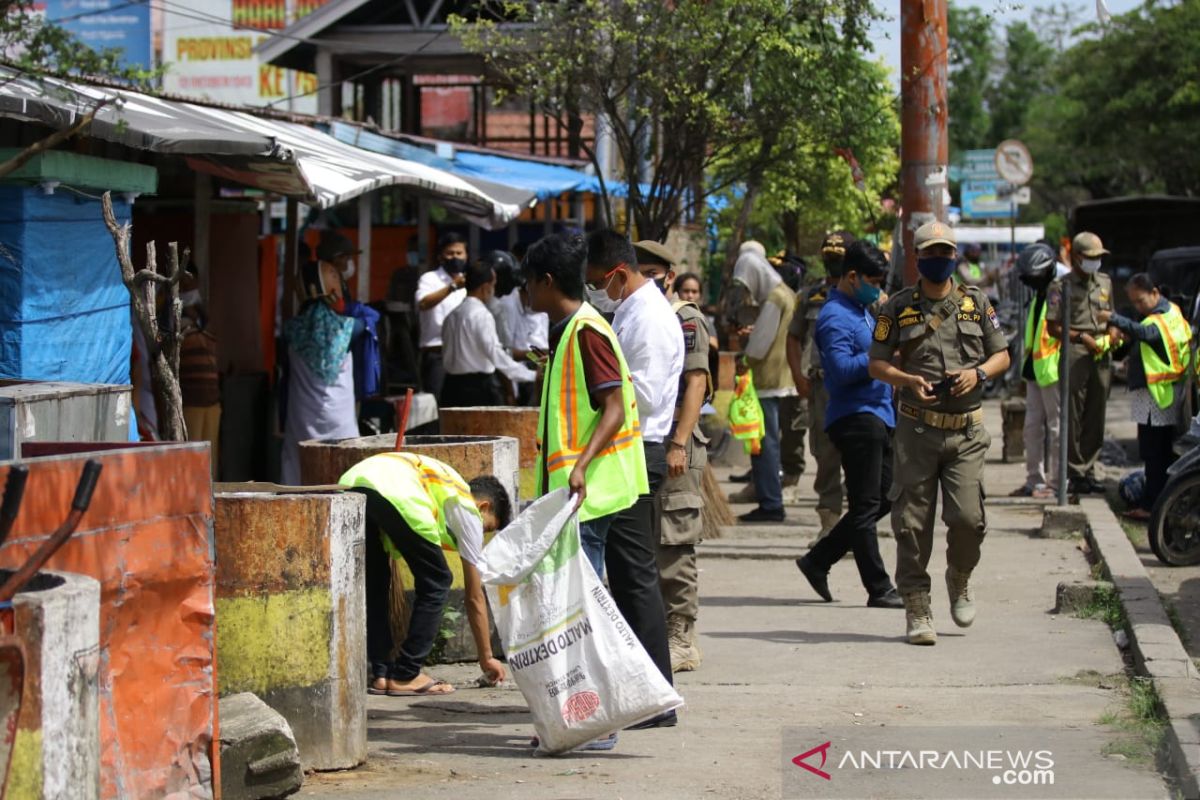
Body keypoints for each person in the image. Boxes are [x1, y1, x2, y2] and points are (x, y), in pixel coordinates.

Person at [868, 220, 1011, 645]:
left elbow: (1001, 353)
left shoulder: (976, 302)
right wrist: (906, 380)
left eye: (946, 252)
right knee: (912, 523)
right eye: (931, 253)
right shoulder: (896, 307)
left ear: (955, 256)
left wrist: (978, 372)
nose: (940, 259)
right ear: (917, 258)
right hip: (916, 428)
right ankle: (917, 604)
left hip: (966, 432)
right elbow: (876, 363)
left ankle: (959, 575)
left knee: (968, 519)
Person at [584, 230, 681, 708]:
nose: (594, 292)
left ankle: (654, 695)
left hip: (639, 450)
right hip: (629, 450)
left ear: (618, 274)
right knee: (627, 577)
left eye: (597, 282)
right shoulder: (631, 312)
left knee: (636, 577)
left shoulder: (648, 320)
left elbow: (636, 397)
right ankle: (645, 691)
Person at [339, 453, 509, 695]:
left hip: (352, 482)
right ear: (484, 506)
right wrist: (487, 657)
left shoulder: (445, 483)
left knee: (377, 582)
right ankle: (407, 673)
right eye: (488, 527)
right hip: (396, 492)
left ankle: (382, 673)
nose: (481, 535)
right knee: (438, 581)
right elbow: (474, 597)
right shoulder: (468, 509)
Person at [796, 241, 903, 608]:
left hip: (878, 414)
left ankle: (819, 559)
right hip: (856, 418)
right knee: (865, 505)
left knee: (881, 498)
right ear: (852, 277)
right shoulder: (834, 317)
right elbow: (840, 371)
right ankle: (879, 587)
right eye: (872, 280)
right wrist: (880, 358)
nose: (877, 287)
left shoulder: (862, 310)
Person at [635, 239, 710, 672]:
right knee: (645, 539)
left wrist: (679, 442)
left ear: (667, 274)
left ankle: (682, 634)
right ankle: (659, 629)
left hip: (676, 442)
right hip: (643, 443)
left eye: (651, 272)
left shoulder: (684, 319)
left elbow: (696, 382)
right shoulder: (636, 315)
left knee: (675, 538)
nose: (645, 279)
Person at [1106, 274, 1194, 519]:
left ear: (1155, 292)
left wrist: (1112, 318)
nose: (1138, 307)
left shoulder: (1159, 320)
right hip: (1164, 396)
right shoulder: (1173, 313)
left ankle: (1150, 506)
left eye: (1140, 300)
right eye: (1133, 302)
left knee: (1154, 453)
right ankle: (1157, 502)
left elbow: (1145, 333)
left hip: (1157, 398)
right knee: (1161, 453)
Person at [785, 232, 853, 538]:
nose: (833, 260)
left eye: (839, 254)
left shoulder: (865, 295)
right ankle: (829, 526)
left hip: (855, 387)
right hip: (821, 388)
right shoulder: (810, 296)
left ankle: (856, 526)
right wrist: (799, 377)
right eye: (829, 254)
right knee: (825, 457)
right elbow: (793, 337)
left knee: (857, 459)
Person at [729, 241, 796, 523]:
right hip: (779, 379)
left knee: (763, 444)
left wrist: (744, 358)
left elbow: (760, 343)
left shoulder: (775, 298)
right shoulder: (786, 292)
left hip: (767, 380)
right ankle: (769, 498)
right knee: (768, 442)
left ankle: (770, 503)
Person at [280, 257, 359, 484]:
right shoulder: (349, 328)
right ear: (329, 287)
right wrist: (344, 305)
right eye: (334, 275)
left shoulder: (291, 330)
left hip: (302, 418)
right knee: (343, 475)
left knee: (299, 472)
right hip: (340, 420)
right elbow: (371, 318)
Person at [1046, 232, 1114, 495]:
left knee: (1097, 414)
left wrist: (1114, 334)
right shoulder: (1061, 286)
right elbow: (1052, 328)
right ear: (1077, 257)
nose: (1096, 262)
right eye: (1091, 257)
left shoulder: (1105, 282)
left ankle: (1089, 468)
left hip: (1101, 352)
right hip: (1076, 351)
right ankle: (1075, 472)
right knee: (1073, 415)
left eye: (1099, 258)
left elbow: (1111, 317)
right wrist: (1081, 336)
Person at [1010, 243, 1069, 499]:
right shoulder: (1039, 297)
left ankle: (1056, 483)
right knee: (1032, 428)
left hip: (1053, 372)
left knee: (1056, 430)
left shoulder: (1059, 293)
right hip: (1035, 371)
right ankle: (1034, 479)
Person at [440, 260, 536, 407]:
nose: (493, 290)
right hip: (476, 391)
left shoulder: (451, 316)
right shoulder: (481, 315)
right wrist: (532, 375)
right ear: (485, 287)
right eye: (493, 285)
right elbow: (496, 355)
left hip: (450, 389)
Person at [416, 232, 469, 397]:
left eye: (459, 253)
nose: (455, 257)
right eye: (450, 253)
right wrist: (452, 287)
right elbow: (423, 303)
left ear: (466, 256)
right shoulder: (429, 279)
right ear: (440, 257)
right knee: (437, 404)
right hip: (437, 353)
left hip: (463, 354)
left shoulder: (468, 282)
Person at [178, 279, 221, 478]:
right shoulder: (182, 328)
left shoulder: (204, 327)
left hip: (209, 402)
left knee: (206, 458)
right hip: (193, 402)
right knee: (194, 457)